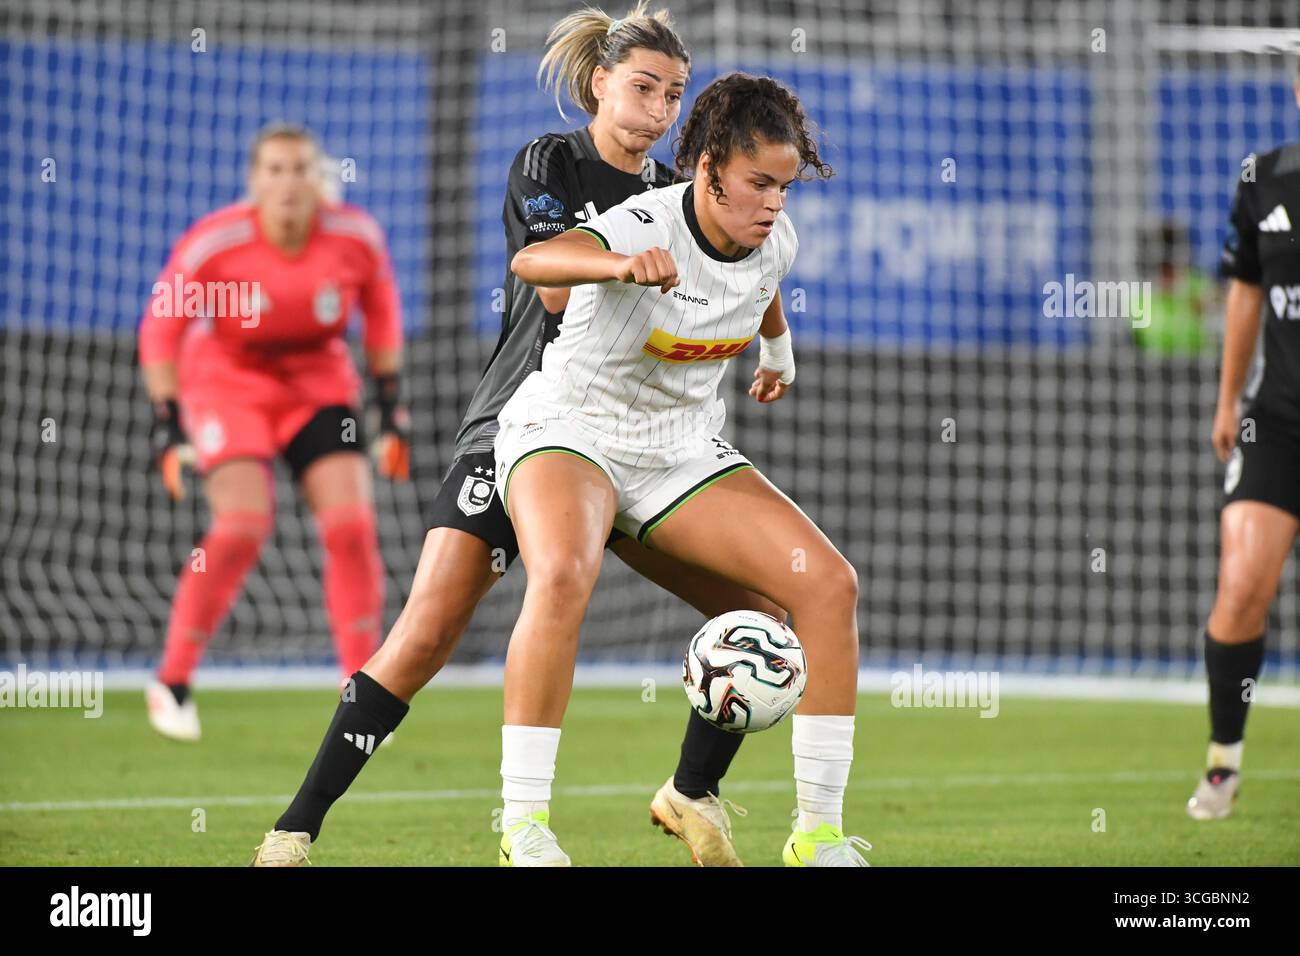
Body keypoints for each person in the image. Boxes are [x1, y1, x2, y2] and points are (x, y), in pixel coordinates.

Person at [252, 4, 784, 868]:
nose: (658, 107)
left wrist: (769, 341)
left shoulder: (680, 199)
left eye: (674, 94)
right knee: (425, 632)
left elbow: (754, 264)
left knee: (755, 614)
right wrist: (624, 262)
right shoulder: (552, 161)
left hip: (637, 442)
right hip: (526, 425)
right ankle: (297, 826)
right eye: (642, 86)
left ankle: (692, 793)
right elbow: (552, 293)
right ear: (599, 83)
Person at [494, 71, 869, 867]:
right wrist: (615, 267)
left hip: (678, 449)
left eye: (785, 185)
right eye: (757, 182)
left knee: (824, 587)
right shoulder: (641, 221)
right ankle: (524, 826)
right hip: (573, 428)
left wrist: (777, 348)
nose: (773, 202)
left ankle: (817, 837)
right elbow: (535, 264)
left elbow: (760, 281)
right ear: (707, 172)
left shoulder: (777, 236)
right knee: (562, 570)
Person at [139, 123, 409, 742]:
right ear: (254, 180)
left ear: (321, 179)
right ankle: (174, 680)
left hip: (319, 386)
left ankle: (360, 688)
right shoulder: (217, 243)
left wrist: (392, 407)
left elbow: (383, 311)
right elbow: (160, 327)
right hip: (228, 385)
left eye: (300, 170)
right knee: (241, 526)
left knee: (350, 527)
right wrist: (166, 422)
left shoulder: (354, 237)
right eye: (275, 170)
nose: (288, 183)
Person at [1189, 65, 1300, 820]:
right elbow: (1246, 294)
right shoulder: (1264, 178)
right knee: (1241, 587)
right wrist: (1230, 401)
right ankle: (1223, 763)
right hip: (1281, 420)